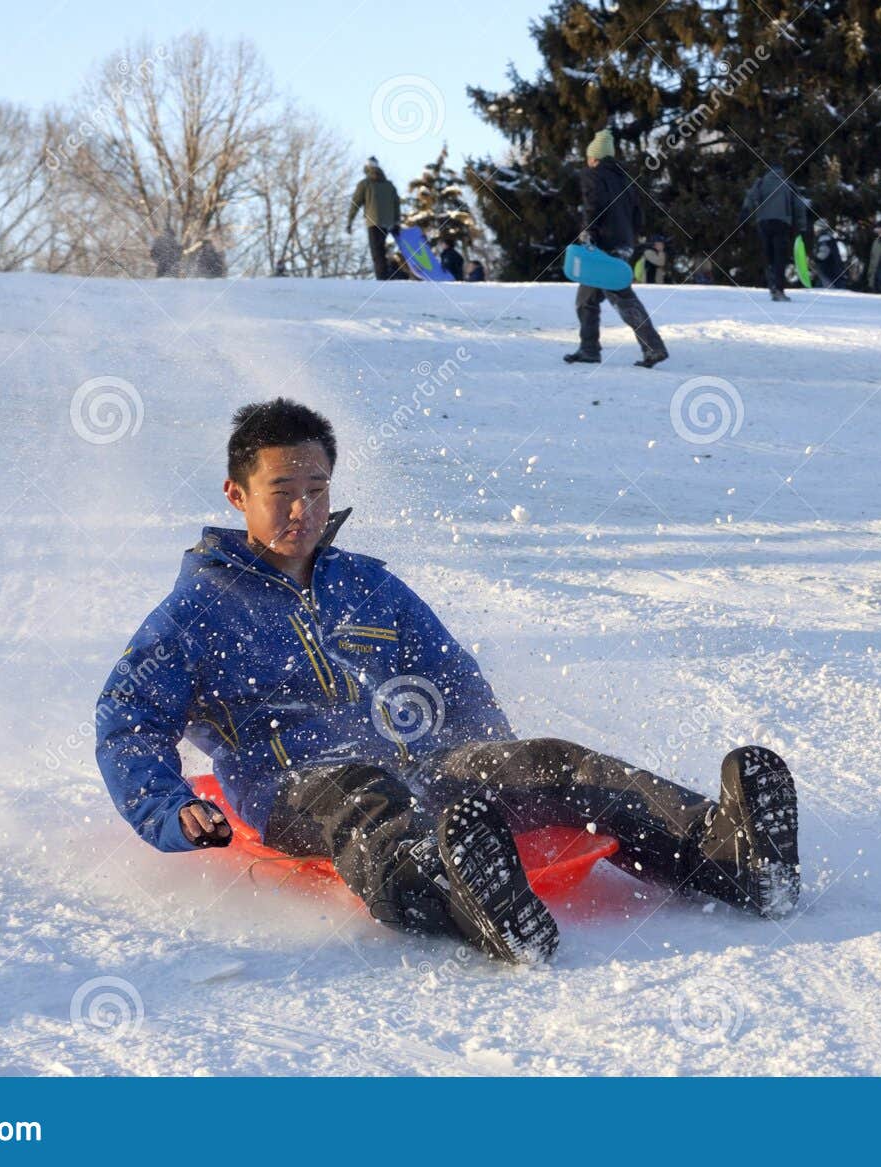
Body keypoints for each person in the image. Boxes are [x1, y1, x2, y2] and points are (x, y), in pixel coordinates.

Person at [95, 399, 801, 965]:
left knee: (552, 758)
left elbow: (450, 673)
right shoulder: (198, 610)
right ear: (236, 493)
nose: (302, 510)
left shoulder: (367, 583)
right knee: (364, 795)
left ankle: (725, 854)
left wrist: (497, 772)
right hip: (296, 786)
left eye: (317, 490)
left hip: (421, 764)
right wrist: (167, 804)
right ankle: (459, 898)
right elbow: (128, 715)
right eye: (281, 492)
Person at [564, 129, 669, 368]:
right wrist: (632, 239)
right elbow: (638, 214)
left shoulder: (593, 175)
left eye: (589, 157)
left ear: (595, 157)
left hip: (603, 244)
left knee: (620, 298)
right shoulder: (625, 178)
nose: (587, 162)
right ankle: (589, 349)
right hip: (624, 244)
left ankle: (652, 347)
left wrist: (588, 231)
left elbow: (593, 205)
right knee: (589, 299)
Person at [741, 164, 808, 301]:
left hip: (763, 223)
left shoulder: (760, 183)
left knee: (769, 256)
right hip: (782, 223)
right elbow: (799, 207)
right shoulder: (788, 184)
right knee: (780, 257)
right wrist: (802, 228)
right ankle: (779, 289)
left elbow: (750, 197)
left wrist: (745, 213)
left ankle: (772, 287)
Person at [346, 157, 402, 281]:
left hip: (374, 222)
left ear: (367, 169)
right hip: (389, 223)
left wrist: (350, 221)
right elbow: (396, 203)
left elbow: (356, 203)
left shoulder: (365, 184)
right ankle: (389, 274)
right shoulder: (389, 185)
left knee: (377, 252)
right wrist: (397, 222)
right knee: (383, 249)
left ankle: (382, 279)